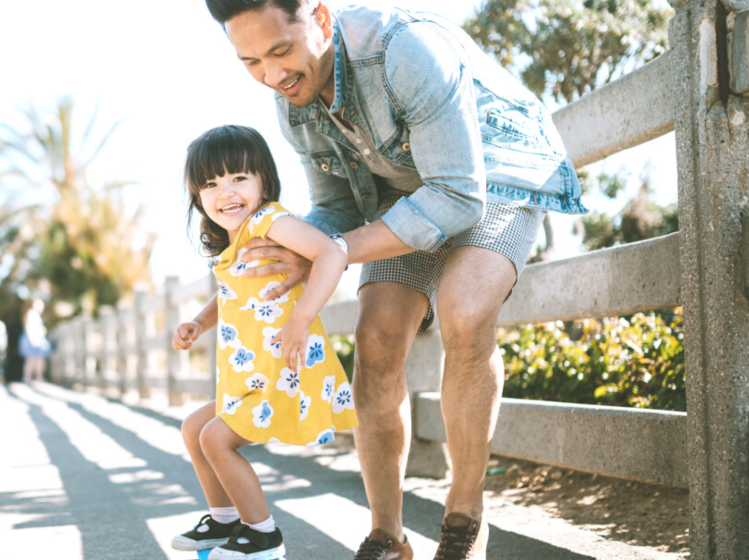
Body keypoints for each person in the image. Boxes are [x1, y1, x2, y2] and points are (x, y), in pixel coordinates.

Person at [205, 2, 588, 558]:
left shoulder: (406, 49)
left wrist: (330, 252)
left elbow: (458, 192)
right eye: (251, 61)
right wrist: (299, 247)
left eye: (281, 51)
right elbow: (335, 204)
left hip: (497, 171)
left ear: (319, 16)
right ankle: (388, 536)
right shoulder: (292, 103)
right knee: (376, 338)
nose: (271, 75)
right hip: (404, 194)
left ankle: (465, 517)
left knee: (465, 311)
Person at [171, 125, 357, 560]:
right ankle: (223, 520)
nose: (226, 192)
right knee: (194, 428)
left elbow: (332, 253)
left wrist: (302, 317)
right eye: (211, 184)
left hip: (285, 371)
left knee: (216, 439)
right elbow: (232, 291)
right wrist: (199, 322)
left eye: (239, 177)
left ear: (263, 180)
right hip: (254, 375)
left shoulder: (270, 221)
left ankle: (262, 536)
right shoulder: (236, 240)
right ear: (197, 196)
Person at [18, 298, 51, 383]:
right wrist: (32, 339)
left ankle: (37, 377)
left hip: (37, 339)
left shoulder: (35, 314)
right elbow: (28, 327)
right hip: (33, 339)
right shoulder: (31, 313)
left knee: (38, 359)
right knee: (31, 359)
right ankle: (28, 378)